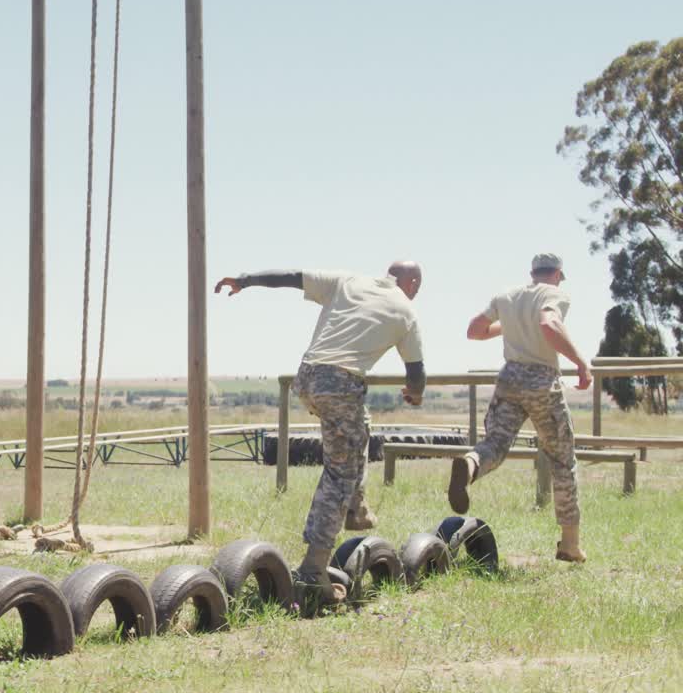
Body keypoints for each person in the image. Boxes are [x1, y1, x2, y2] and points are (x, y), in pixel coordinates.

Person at [215, 262, 425, 604]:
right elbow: (416, 374)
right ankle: (313, 571)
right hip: (341, 385)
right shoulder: (407, 311)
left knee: (360, 428)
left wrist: (245, 281)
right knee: (339, 474)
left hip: (308, 377)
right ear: (412, 282)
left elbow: (291, 277)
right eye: (418, 286)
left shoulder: (348, 282)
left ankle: (356, 508)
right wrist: (414, 395)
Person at [449, 253, 590, 562]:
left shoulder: (507, 295)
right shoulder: (554, 293)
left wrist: (511, 326)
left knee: (494, 445)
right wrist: (580, 363)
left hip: (509, 379)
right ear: (557, 275)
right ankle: (569, 544)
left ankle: (470, 465)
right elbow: (549, 323)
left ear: (532, 272)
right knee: (563, 460)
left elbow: (474, 331)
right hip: (542, 383)